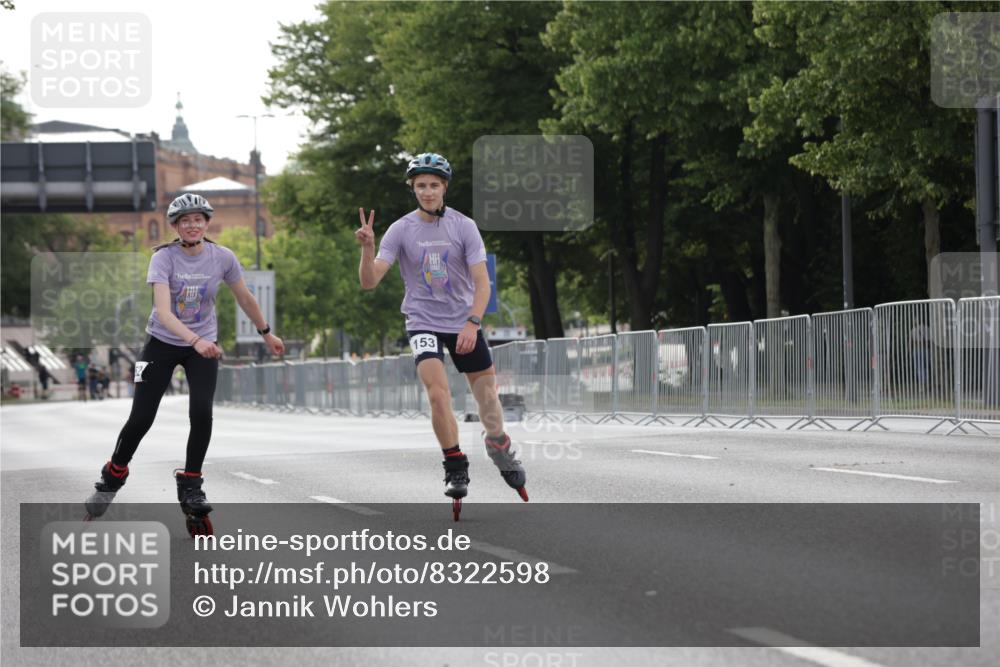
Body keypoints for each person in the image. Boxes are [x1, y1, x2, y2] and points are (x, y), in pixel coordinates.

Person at [84, 193, 285, 534]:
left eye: (198, 220)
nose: (192, 226)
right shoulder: (163, 258)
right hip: (160, 344)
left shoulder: (222, 257)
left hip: (202, 346)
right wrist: (195, 340)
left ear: (206, 224)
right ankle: (114, 473)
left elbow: (244, 296)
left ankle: (191, 483)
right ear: (175, 226)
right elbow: (163, 312)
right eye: (185, 221)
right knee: (141, 418)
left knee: (201, 412)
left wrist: (266, 333)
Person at [355, 152, 528, 514]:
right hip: (422, 320)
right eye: (421, 186)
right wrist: (368, 249)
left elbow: (483, 284)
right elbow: (370, 282)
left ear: (444, 187)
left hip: (464, 320)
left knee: (487, 401)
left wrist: (473, 322)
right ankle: (454, 464)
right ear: (413, 189)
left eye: (434, 185)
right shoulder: (401, 230)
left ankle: (498, 444)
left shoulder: (464, 226)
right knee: (437, 394)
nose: (428, 192)